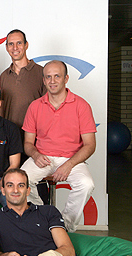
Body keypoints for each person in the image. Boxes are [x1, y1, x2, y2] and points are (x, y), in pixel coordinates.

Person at [0, 168, 132, 256]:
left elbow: (68, 250)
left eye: (21, 186)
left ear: (28, 190)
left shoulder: (47, 211)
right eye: (10, 186)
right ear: (3, 190)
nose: (15, 190)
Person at [21, 60, 96, 232]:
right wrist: (36, 155)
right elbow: (27, 143)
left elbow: (90, 145)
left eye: (57, 76)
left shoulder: (81, 106)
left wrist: (68, 165)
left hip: (72, 159)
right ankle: (43, 217)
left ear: (66, 79)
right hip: (43, 157)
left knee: (86, 183)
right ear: (44, 80)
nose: (52, 81)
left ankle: (65, 226)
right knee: (21, 180)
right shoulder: (35, 106)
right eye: (48, 77)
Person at [0, 29, 46, 140]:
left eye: (19, 43)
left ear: (26, 45)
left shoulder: (42, 73)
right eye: (11, 44)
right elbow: (1, 109)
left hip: (35, 137)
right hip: (10, 138)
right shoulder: (4, 76)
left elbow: (48, 107)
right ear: (6, 48)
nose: (15, 48)